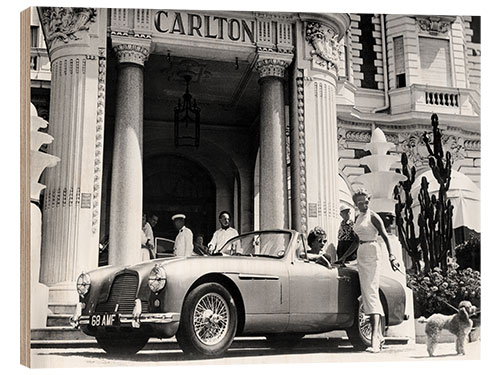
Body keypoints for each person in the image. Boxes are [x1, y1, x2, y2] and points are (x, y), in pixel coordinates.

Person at [349, 188, 398, 353]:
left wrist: (392, 256)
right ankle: (379, 336)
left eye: (366, 201)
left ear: (369, 200)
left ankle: (375, 339)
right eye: (360, 203)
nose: (363, 205)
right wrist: (343, 258)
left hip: (372, 253)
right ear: (356, 204)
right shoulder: (358, 217)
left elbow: (385, 235)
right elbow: (356, 241)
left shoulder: (373, 216)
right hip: (361, 253)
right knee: (367, 293)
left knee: (370, 294)